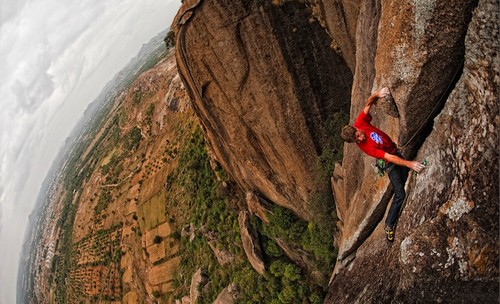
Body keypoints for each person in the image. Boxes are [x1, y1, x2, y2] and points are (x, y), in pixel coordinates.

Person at [340, 87, 425, 242]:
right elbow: (389, 157)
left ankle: (410, 170)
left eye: (357, 136)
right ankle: (389, 224)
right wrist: (410, 163)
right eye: (356, 141)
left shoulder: (360, 122)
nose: (359, 140)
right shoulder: (367, 147)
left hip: (394, 152)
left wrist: (378, 94)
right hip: (390, 163)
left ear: (356, 128)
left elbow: (368, 103)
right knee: (400, 193)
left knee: (406, 179)